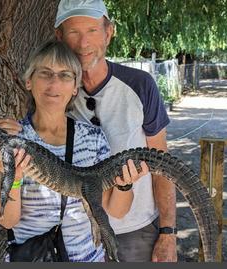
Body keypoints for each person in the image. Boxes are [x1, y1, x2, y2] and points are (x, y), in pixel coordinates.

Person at [0, 40, 149, 262]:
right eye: (45, 73)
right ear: (28, 81)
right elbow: (7, 220)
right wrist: (14, 179)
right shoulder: (12, 140)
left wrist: (124, 184)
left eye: (65, 75)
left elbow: (116, 210)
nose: (54, 83)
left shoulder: (92, 138)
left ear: (75, 86)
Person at [53, 0, 177, 262]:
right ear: (59, 37)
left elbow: (163, 165)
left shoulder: (140, 85)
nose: (83, 43)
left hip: (137, 231)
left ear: (108, 33)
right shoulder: (53, 92)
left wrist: (168, 233)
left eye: (92, 31)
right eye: (74, 32)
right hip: (79, 234)